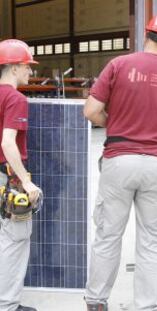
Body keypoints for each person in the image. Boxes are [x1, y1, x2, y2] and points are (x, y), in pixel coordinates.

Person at [83, 12, 157, 311]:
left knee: (108, 235)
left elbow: (91, 111)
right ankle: (148, 306)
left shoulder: (119, 65)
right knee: (152, 241)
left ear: (147, 36)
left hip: (119, 160)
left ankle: (96, 302)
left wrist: (116, 123)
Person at [0, 39, 42, 311]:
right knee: (15, 239)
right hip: (8, 176)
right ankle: (8, 305)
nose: (30, 72)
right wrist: (25, 181)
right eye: (27, 66)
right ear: (14, 68)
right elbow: (7, 142)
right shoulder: (16, 99)